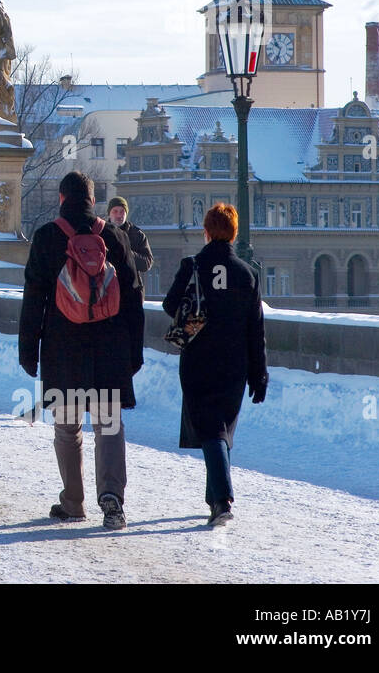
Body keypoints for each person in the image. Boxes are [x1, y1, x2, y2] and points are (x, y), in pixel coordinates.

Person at [19, 171, 141, 530]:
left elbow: (33, 299)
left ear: (61, 198)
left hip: (63, 347)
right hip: (110, 347)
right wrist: (134, 351)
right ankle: (112, 499)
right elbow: (134, 295)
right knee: (109, 424)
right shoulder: (115, 237)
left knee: (67, 428)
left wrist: (29, 350)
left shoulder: (45, 237)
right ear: (92, 199)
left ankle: (73, 501)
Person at [163, 203, 267, 527]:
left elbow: (169, 305)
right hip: (235, 364)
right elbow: (256, 329)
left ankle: (222, 500)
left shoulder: (193, 264)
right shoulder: (247, 274)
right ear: (234, 233)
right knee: (219, 428)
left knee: (211, 429)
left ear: (206, 231)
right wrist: (259, 373)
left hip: (198, 360)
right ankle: (214, 499)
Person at [107, 196, 152, 349]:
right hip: (106, 294)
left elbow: (147, 263)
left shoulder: (137, 235)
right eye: (115, 211)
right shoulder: (101, 233)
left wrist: (129, 254)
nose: (119, 215)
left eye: (122, 211)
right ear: (109, 213)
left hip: (131, 294)